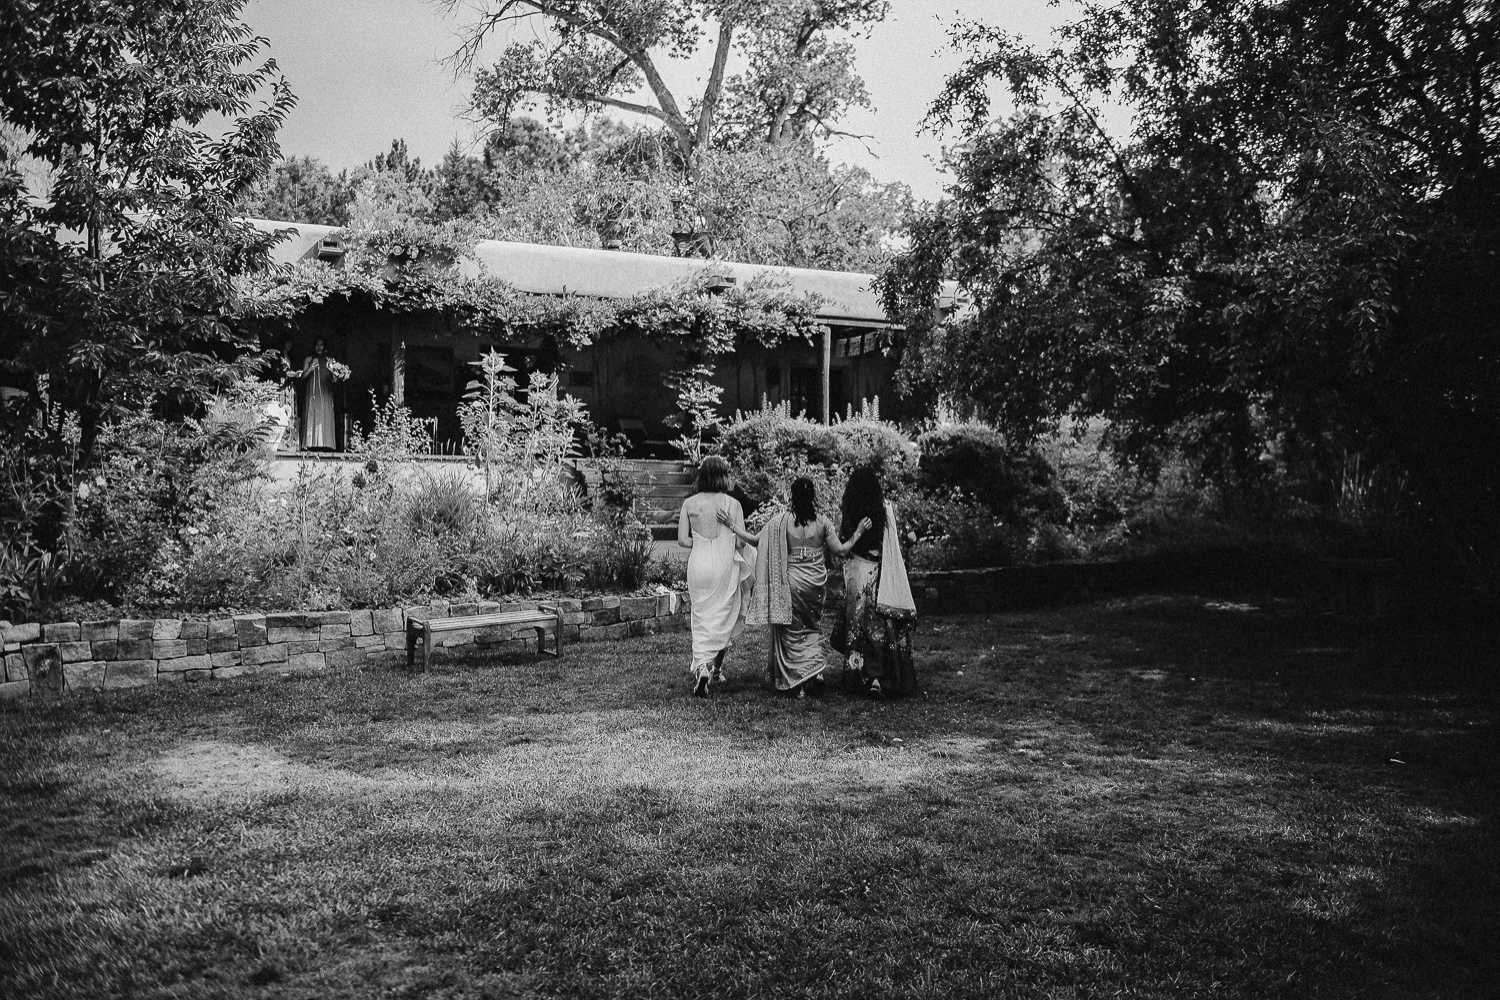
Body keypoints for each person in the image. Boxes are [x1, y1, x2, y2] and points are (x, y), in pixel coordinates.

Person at [718, 477, 871, 697]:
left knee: (792, 630)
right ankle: (813, 671)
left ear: (792, 496)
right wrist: (858, 532)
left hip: (792, 583)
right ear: (813, 497)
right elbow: (840, 551)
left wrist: (731, 525)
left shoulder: (781, 522)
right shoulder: (823, 523)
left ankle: (798, 678)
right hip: (816, 585)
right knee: (811, 626)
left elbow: (754, 540)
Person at [834, 467, 918, 697]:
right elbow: (911, 538)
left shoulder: (851, 512)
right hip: (883, 575)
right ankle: (881, 677)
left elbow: (843, 543)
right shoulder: (889, 510)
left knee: (858, 627)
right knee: (881, 627)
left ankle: (858, 674)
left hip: (859, 574)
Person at [677, 455, 755, 697]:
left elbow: (682, 540)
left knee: (700, 616)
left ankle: (703, 667)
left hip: (699, 564)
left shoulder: (690, 504)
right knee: (725, 616)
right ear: (724, 476)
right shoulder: (733, 505)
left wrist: (702, 542)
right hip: (724, 565)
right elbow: (741, 543)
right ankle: (716, 668)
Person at [296, 337, 338, 450]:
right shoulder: (309, 359)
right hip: (312, 393)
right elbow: (302, 377)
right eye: (317, 345)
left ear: (325, 346)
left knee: (325, 415)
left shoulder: (330, 360)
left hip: (325, 393)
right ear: (314, 346)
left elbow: (334, 379)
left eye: (322, 345)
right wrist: (310, 368)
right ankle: (310, 443)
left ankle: (326, 443)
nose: (319, 347)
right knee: (312, 413)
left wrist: (334, 373)